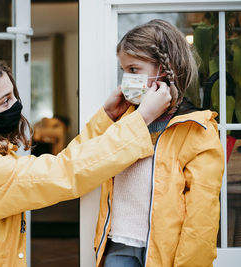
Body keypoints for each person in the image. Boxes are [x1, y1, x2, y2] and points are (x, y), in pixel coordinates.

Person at [0, 57, 171, 266]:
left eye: (13, 95)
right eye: (5, 101)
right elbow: (64, 173)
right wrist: (141, 118)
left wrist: (105, 118)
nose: (17, 105)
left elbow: (64, 162)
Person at [94, 19, 225, 267]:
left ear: (165, 69)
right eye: (123, 70)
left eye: (133, 70)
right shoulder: (123, 122)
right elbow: (88, 158)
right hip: (118, 244)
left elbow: (201, 216)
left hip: (166, 253)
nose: (126, 79)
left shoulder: (197, 129)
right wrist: (108, 116)